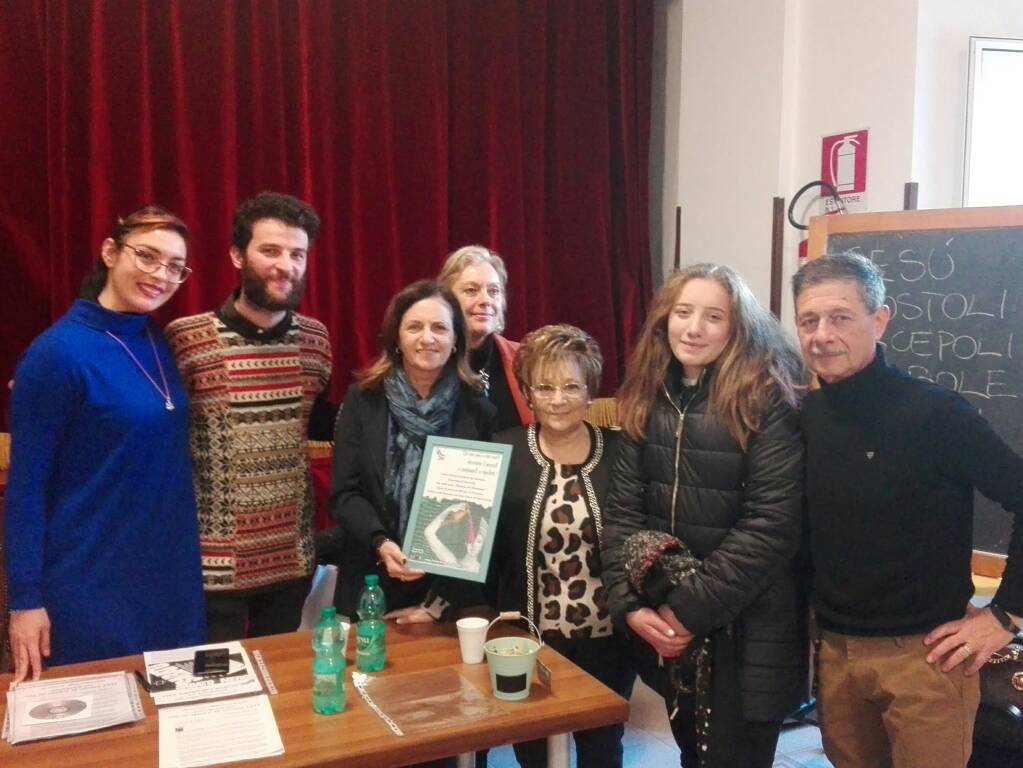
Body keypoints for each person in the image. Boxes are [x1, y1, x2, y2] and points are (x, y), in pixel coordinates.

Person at [792, 252, 1023, 768]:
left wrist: (1006, 615)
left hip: (927, 658)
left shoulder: (936, 413)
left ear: (880, 320)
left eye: (840, 317)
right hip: (833, 654)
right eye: (809, 320)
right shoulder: (800, 418)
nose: (822, 334)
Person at [602, 263, 807, 768]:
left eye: (713, 316)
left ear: (737, 327)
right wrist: (630, 605)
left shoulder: (766, 397)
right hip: (668, 632)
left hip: (747, 631)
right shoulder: (646, 396)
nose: (693, 328)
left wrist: (683, 613)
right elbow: (622, 515)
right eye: (683, 312)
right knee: (693, 755)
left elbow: (771, 527)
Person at [5, 205, 205, 682]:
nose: (160, 275)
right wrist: (25, 601)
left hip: (169, 579)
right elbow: (26, 489)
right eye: (148, 256)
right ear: (110, 252)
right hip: (89, 582)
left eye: (175, 266)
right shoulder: (56, 354)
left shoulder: (157, 342)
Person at [166, 192, 332, 642]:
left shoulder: (315, 342)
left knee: (282, 692)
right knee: (214, 693)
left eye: (297, 254)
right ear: (238, 255)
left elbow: (324, 426)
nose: (286, 265)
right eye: (270, 251)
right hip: (211, 570)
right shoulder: (187, 340)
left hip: (289, 562)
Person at [329, 279, 495, 619]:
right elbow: (345, 494)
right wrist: (381, 543)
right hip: (371, 577)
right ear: (397, 339)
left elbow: (481, 516)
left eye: (439, 328)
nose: (428, 338)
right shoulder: (363, 399)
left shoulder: (478, 409)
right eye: (415, 327)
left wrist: (436, 606)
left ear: (455, 341)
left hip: (447, 594)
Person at [438, 245, 533, 431]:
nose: (486, 300)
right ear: (447, 300)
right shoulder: (428, 360)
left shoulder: (526, 358)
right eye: (471, 290)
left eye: (494, 291)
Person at [423, 502, 488, 574]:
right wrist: (449, 509)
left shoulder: (482, 571)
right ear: (465, 542)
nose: (473, 544)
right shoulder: (452, 562)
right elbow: (428, 532)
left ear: (483, 544)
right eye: (470, 540)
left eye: (479, 541)